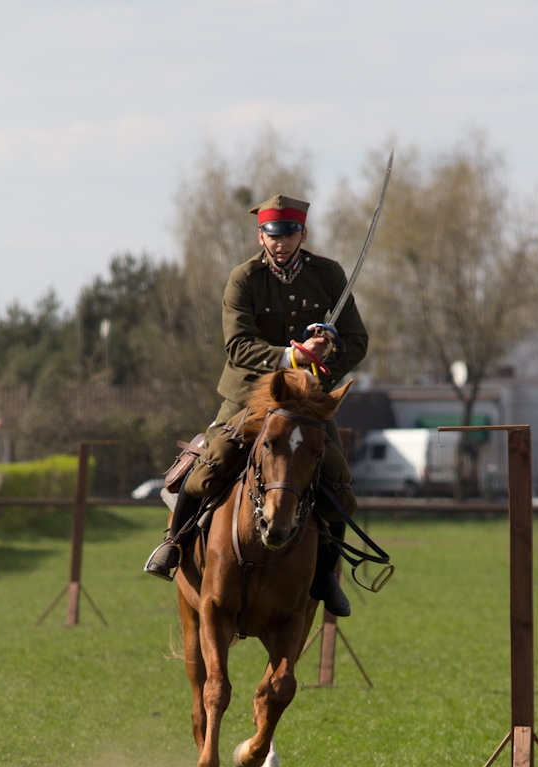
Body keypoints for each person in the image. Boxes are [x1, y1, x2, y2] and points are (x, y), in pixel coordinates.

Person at [144, 193, 369, 616]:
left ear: (303, 233)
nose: (280, 243)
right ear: (260, 235)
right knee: (209, 466)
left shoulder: (329, 275)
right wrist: (292, 356)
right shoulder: (243, 278)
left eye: (289, 234)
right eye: (272, 234)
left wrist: (325, 356)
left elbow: (357, 341)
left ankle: (324, 575)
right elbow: (238, 345)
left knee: (338, 482)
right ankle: (173, 545)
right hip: (248, 395)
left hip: (307, 399)